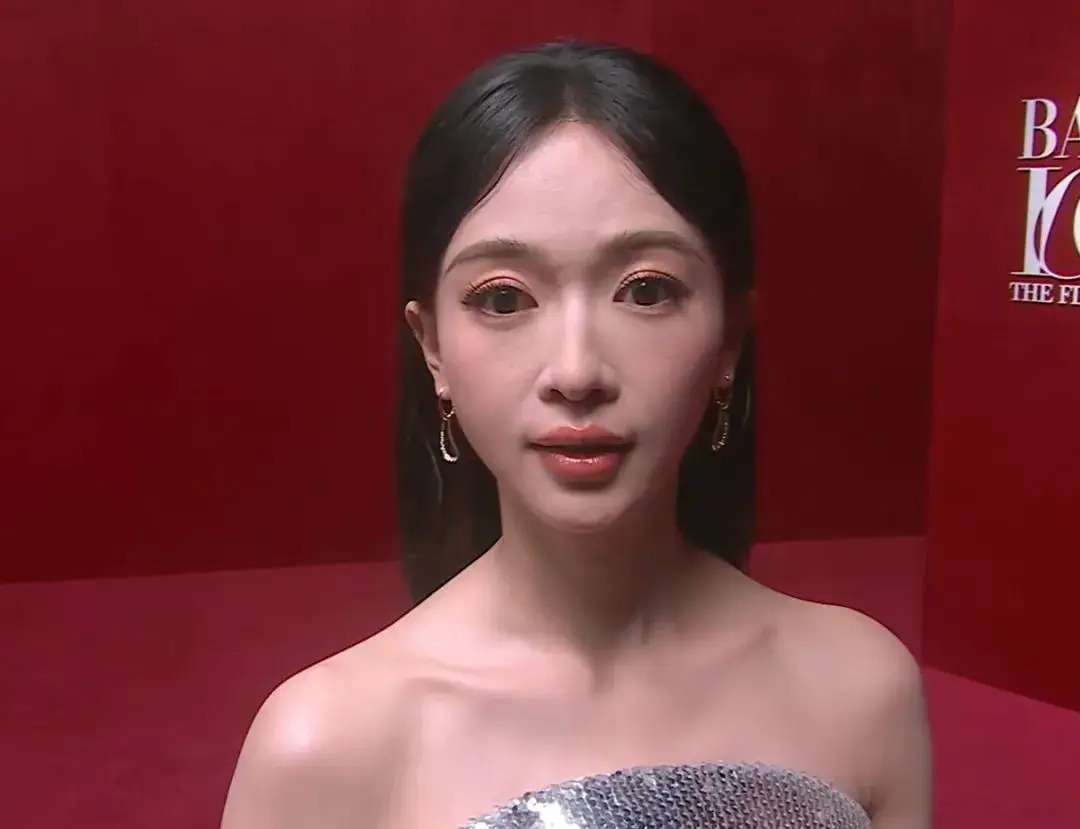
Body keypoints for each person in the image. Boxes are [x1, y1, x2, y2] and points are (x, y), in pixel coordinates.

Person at [221, 41, 932, 829]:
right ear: (433, 350)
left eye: (646, 289)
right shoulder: (324, 748)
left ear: (730, 336)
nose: (576, 370)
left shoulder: (861, 690)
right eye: (503, 298)